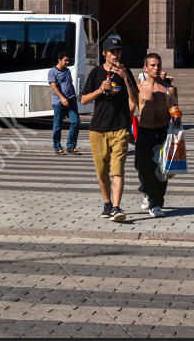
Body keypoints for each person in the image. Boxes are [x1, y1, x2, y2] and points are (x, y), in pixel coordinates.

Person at [80, 34, 138, 222]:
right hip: (98, 129)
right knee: (102, 172)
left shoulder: (125, 71)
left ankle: (116, 206)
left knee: (118, 169)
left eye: (118, 51)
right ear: (104, 53)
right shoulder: (96, 73)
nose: (116, 55)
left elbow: (134, 99)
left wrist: (126, 78)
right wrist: (99, 89)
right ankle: (107, 203)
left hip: (120, 127)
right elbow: (84, 99)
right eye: (112, 52)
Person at [133, 52, 178, 217]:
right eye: (152, 65)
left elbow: (174, 108)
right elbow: (131, 111)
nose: (156, 68)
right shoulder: (138, 89)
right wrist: (128, 131)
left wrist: (176, 116)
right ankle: (146, 190)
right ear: (145, 68)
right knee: (141, 166)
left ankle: (156, 203)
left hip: (163, 132)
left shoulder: (168, 88)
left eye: (158, 65)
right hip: (144, 133)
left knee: (162, 170)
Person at [48, 51, 80, 154]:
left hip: (71, 100)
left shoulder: (67, 71)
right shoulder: (52, 72)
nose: (67, 62)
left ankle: (70, 146)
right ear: (59, 60)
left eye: (68, 60)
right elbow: (53, 86)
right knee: (57, 125)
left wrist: (74, 96)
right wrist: (62, 98)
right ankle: (57, 147)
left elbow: (70, 84)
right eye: (65, 60)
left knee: (75, 122)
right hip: (59, 102)